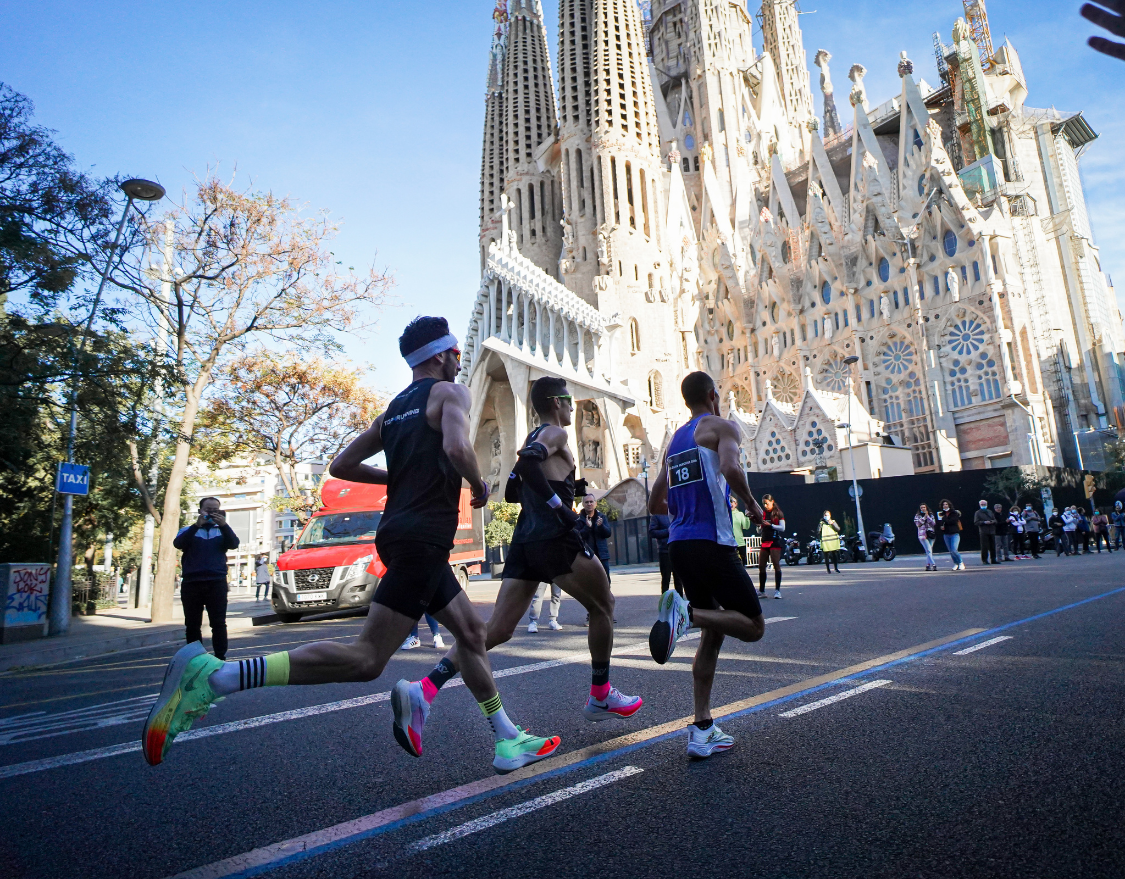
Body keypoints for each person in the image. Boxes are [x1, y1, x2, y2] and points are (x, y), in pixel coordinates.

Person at [143, 317, 560, 775]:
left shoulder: (394, 409)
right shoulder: (449, 394)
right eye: (458, 355)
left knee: (472, 634)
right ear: (440, 355)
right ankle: (219, 676)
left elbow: (342, 464)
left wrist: (395, 477)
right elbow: (459, 446)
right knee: (366, 660)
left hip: (403, 533)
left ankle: (506, 738)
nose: (460, 365)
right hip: (422, 537)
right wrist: (477, 482)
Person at [408, 376, 642, 734]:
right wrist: (561, 508)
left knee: (497, 629)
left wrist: (564, 488)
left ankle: (425, 688)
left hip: (525, 541)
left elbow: (515, 488)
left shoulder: (533, 435)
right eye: (568, 399)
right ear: (555, 402)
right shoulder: (555, 434)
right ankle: (601, 694)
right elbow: (530, 466)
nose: (572, 405)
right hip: (554, 538)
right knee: (604, 605)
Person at [646, 370, 767, 759]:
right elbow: (732, 469)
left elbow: (654, 503)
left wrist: (685, 507)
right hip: (712, 542)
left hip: (681, 545)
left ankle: (702, 728)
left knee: (712, 636)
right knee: (752, 626)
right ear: (714, 395)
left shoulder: (675, 441)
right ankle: (687, 615)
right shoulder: (722, 426)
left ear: (687, 401)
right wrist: (749, 503)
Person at [172, 497, 239, 661]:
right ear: (200, 511)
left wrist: (224, 525)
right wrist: (196, 525)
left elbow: (234, 543)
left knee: (218, 623)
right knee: (192, 624)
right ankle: (196, 658)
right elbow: (179, 544)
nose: (212, 513)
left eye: (216, 510)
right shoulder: (187, 530)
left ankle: (220, 657)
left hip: (216, 582)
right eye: (208, 510)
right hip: (192, 583)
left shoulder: (221, 530)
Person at [576, 493, 612, 582]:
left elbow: (608, 534)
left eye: (591, 502)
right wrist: (587, 527)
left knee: (605, 580)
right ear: (583, 504)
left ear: (595, 503)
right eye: (587, 502)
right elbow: (577, 537)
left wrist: (601, 526)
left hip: (602, 555)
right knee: (588, 581)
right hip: (587, 556)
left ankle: (606, 596)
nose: (589, 504)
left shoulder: (602, 517)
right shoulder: (578, 519)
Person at [649, 511, 684, 597]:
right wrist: (668, 531)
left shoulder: (676, 513)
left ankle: (680, 604)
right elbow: (652, 532)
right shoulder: (656, 516)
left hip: (677, 550)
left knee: (679, 579)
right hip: (664, 551)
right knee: (666, 578)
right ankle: (665, 604)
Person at [757, 495, 785, 598]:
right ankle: (762, 591)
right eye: (763, 503)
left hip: (774, 541)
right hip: (765, 541)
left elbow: (782, 528)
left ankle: (777, 591)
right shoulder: (762, 514)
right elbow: (759, 529)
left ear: (772, 502)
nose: (765, 505)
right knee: (761, 566)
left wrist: (771, 525)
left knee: (776, 564)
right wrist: (760, 526)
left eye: (767, 503)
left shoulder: (778, 513)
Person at [937, 500, 964, 570]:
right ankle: (956, 563)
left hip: (954, 533)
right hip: (946, 534)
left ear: (949, 505)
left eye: (946, 504)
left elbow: (952, 521)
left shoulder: (954, 513)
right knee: (951, 551)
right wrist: (942, 527)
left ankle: (961, 563)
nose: (945, 506)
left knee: (954, 549)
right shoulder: (942, 514)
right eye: (943, 505)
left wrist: (944, 520)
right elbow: (941, 523)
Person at [973, 500, 998, 565]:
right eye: (982, 504)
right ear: (980, 505)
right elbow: (976, 522)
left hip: (992, 531)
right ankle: (985, 560)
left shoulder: (990, 511)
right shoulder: (978, 513)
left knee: (993, 546)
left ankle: (993, 559)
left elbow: (995, 520)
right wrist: (984, 522)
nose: (983, 505)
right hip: (983, 531)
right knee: (984, 546)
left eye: (984, 504)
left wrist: (992, 521)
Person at [730, 499, 753, 566]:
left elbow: (746, 526)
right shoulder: (725, 514)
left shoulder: (740, 514)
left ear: (736, 504)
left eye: (732, 502)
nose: (731, 504)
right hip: (729, 542)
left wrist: (747, 517)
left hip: (739, 542)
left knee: (742, 564)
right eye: (729, 501)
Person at [914, 504, 937, 571]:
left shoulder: (931, 515)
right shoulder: (917, 516)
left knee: (929, 550)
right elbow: (918, 524)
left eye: (924, 507)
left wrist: (928, 517)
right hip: (923, 535)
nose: (923, 509)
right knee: (928, 550)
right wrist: (924, 517)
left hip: (930, 534)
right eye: (921, 507)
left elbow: (933, 524)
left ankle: (927, 565)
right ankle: (934, 564)